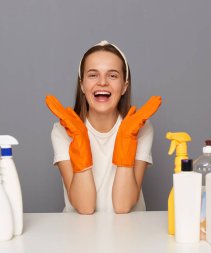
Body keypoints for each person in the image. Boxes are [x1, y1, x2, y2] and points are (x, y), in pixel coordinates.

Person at [46, 40, 161, 214]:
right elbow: (85, 207)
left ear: (124, 86)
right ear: (82, 85)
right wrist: (80, 140)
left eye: (112, 75)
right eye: (93, 75)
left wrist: (126, 140)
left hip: (130, 232)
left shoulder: (141, 128)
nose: (102, 82)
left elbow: (123, 206)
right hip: (79, 232)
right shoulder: (63, 131)